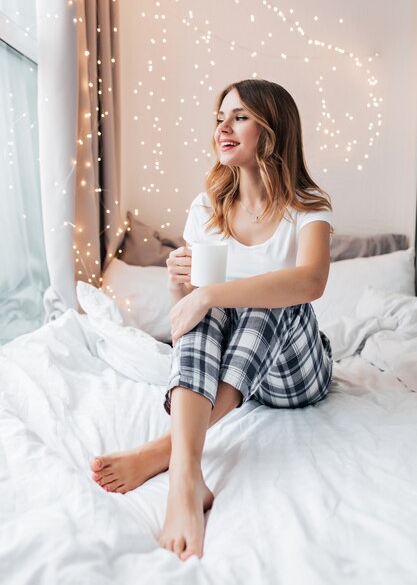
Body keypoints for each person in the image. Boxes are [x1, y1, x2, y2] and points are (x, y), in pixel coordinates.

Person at [90, 78, 334, 563]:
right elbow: (188, 311)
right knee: (206, 312)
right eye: (220, 117)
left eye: (239, 116)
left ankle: (164, 451)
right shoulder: (207, 208)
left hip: (296, 374)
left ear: (273, 127)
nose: (222, 127)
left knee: (273, 301)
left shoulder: (309, 207)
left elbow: (310, 283)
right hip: (240, 378)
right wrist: (179, 284)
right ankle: (185, 478)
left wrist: (212, 296)